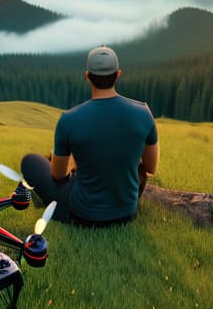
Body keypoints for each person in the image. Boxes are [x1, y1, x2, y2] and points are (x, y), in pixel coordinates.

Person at [20, 46, 159, 227]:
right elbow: (150, 168)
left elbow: (58, 175)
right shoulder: (143, 113)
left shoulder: (69, 119)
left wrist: (71, 161)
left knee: (30, 161)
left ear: (87, 76)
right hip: (127, 213)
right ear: (118, 75)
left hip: (82, 214)